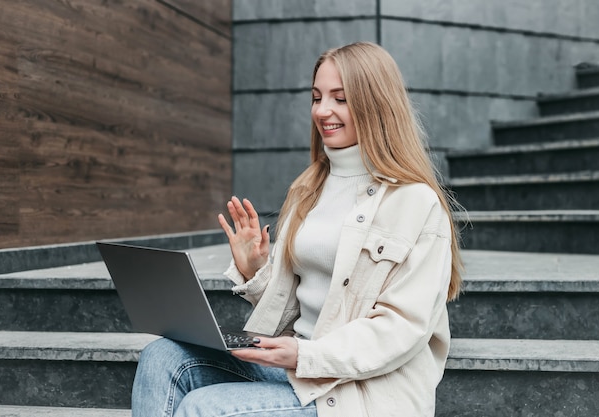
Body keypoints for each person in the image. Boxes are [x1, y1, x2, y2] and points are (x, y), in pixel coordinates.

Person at [132, 41, 463, 417]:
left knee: (203, 408)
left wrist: (306, 354)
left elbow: (403, 328)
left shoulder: (415, 203)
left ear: (376, 104)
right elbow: (297, 310)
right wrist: (256, 270)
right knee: (162, 356)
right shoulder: (310, 188)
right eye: (317, 97)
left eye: (340, 98)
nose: (323, 111)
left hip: (357, 391)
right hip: (296, 367)